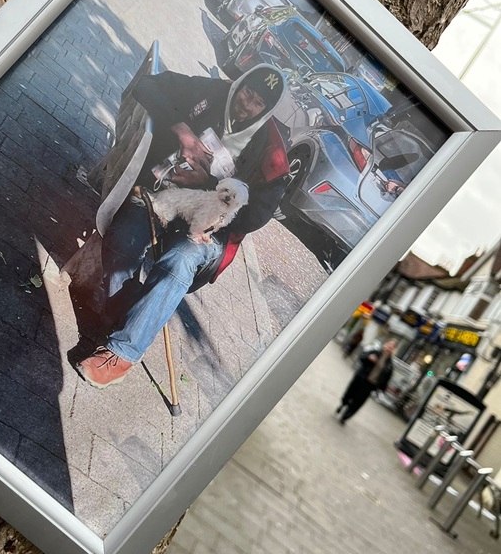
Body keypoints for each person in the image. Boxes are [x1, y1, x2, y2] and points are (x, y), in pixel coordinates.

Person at [76, 64, 291, 388]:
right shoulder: (211, 92)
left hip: (208, 228)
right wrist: (183, 132)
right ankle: (131, 318)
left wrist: (211, 183)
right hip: (162, 198)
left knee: (181, 260)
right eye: (247, 92)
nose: (247, 105)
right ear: (240, 84)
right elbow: (147, 85)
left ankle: (121, 354)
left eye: (258, 103)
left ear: (267, 109)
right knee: (122, 240)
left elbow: (258, 214)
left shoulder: (270, 150)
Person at [335, 338, 396, 424]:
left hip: (370, 385)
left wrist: (380, 389)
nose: (390, 347)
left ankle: (345, 417)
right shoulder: (375, 352)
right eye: (389, 344)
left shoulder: (390, 364)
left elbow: (386, 378)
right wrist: (368, 357)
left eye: (392, 346)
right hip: (360, 378)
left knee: (358, 402)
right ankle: (343, 404)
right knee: (349, 394)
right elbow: (361, 357)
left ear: (394, 350)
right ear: (386, 344)